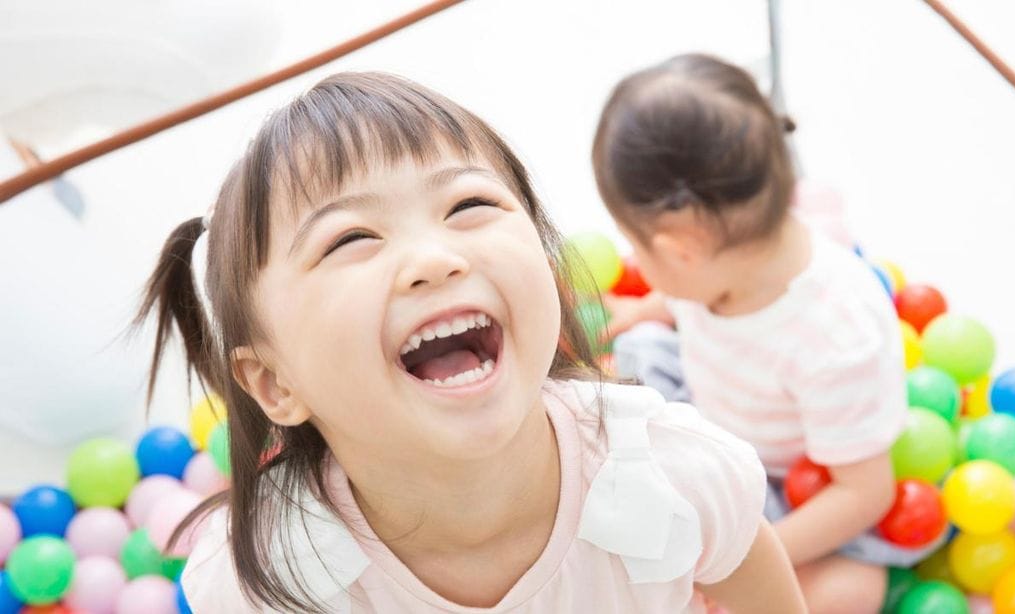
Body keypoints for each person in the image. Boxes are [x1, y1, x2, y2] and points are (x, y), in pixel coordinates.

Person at [139, 71, 805, 613]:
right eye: (349, 239)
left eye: (469, 206)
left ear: (550, 268)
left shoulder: (672, 479)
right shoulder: (271, 582)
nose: (434, 257)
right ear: (275, 384)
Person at [592, 53, 935, 613]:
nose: (639, 262)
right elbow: (682, 296)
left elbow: (865, 493)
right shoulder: (720, 261)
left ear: (682, 249)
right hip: (714, 408)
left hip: (797, 484)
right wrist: (644, 310)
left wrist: (746, 557)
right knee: (636, 353)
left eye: (637, 244)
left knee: (851, 592)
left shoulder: (834, 335)